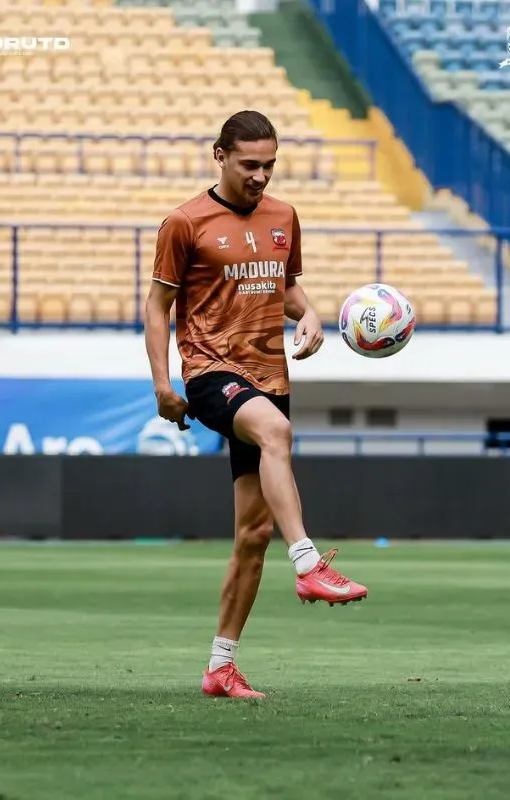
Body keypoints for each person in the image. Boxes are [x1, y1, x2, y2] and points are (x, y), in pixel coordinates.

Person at [144, 110, 368, 700]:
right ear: (219, 155)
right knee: (275, 434)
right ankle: (309, 563)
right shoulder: (184, 222)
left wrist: (313, 313)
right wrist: (162, 384)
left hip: (272, 374)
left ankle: (221, 666)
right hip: (212, 372)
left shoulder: (283, 216)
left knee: (251, 533)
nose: (261, 175)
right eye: (250, 164)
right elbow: (156, 307)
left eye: (270, 164)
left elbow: (283, 284)